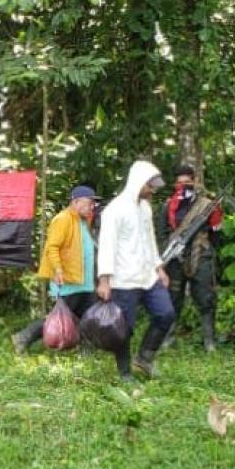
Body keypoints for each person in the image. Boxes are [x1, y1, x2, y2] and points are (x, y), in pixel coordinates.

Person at [97, 160, 176, 380]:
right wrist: (104, 280)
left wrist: (159, 268)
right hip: (123, 278)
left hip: (148, 275)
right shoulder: (115, 210)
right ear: (138, 182)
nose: (152, 190)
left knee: (166, 314)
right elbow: (107, 246)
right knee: (124, 328)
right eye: (150, 186)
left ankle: (144, 358)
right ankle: (124, 373)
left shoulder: (145, 208)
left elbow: (150, 240)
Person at [12, 185, 100, 353]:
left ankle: (86, 350)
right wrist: (58, 270)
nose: (92, 206)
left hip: (84, 281)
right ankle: (24, 336)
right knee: (60, 316)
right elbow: (52, 247)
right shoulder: (63, 219)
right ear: (76, 202)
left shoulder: (83, 221)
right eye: (89, 202)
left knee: (87, 316)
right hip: (69, 281)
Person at [159, 166, 223, 351]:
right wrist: (169, 251)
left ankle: (209, 341)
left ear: (195, 182)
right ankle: (169, 338)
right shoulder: (168, 206)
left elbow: (216, 234)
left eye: (187, 182)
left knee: (206, 298)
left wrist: (206, 246)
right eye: (180, 182)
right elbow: (162, 233)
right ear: (175, 184)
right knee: (173, 298)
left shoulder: (206, 205)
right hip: (175, 258)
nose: (184, 185)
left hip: (200, 255)